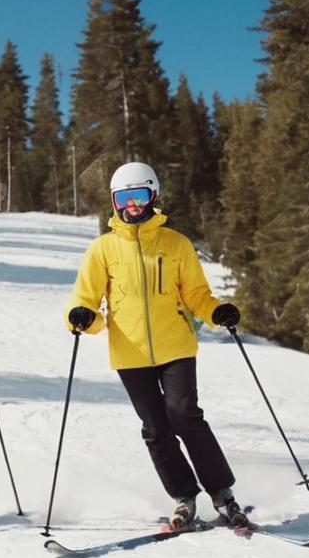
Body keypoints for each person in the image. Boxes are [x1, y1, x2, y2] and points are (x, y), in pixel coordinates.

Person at [64, 162, 248, 530]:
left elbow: (197, 295)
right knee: (155, 428)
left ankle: (223, 494)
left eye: (140, 195)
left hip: (175, 346)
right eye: (124, 198)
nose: (132, 205)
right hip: (130, 354)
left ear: (153, 196)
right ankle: (184, 498)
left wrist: (216, 312)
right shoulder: (103, 250)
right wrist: (82, 317)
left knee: (184, 416)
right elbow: (85, 299)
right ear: (115, 202)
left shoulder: (176, 244)